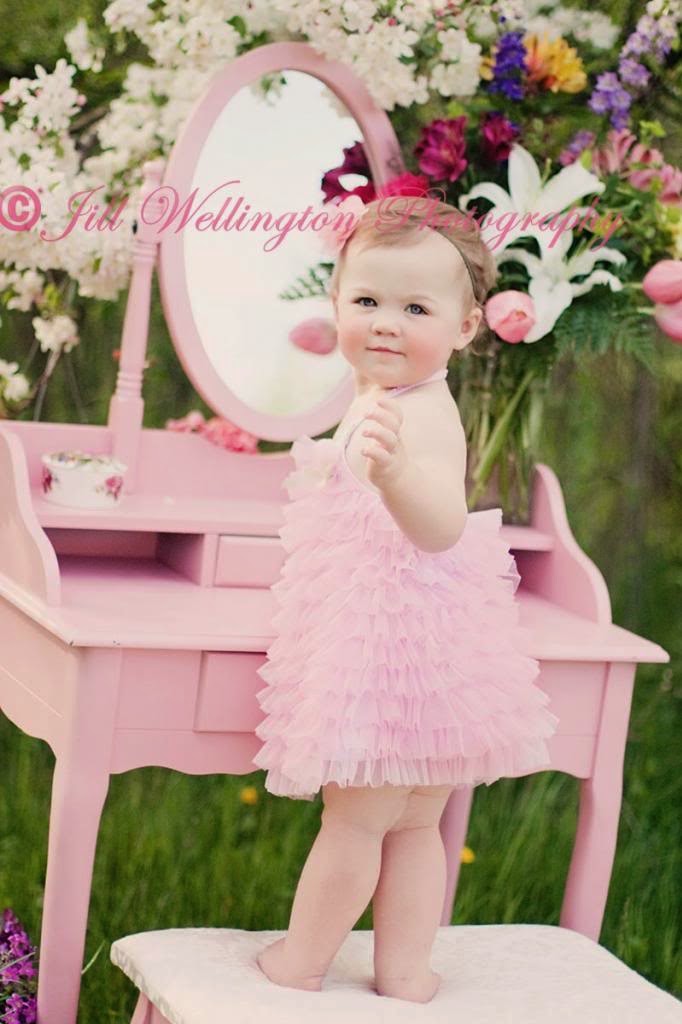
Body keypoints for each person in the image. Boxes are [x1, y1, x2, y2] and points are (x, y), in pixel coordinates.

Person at [253, 195, 559, 1004]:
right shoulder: (384, 398)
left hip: (392, 650)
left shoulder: (422, 415)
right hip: (428, 647)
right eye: (367, 301)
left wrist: (391, 479)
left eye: (415, 308)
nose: (386, 323)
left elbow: (442, 525)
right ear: (337, 304)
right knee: (417, 824)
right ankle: (404, 973)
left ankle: (301, 963)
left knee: (356, 823)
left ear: (465, 328)